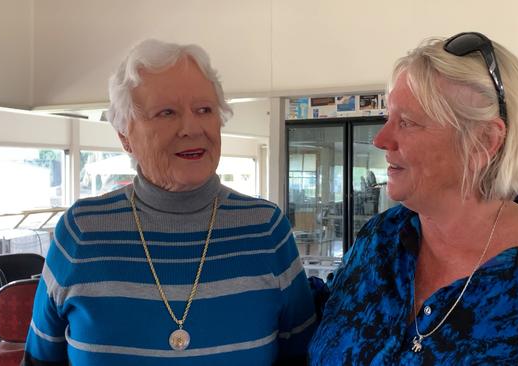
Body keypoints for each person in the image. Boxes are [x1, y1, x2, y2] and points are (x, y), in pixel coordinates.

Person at [309, 32, 518, 365]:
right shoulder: (379, 239)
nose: (381, 139)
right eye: (388, 118)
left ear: (484, 141)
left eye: (406, 122)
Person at [23, 39, 316, 366]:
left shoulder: (266, 229)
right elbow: (39, 361)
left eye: (204, 110)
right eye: (167, 113)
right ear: (124, 136)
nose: (191, 128)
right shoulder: (81, 232)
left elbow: (302, 356)